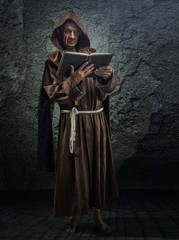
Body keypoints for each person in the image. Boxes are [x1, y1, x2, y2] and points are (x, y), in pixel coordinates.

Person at [37, 10, 119, 234]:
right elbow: (52, 94)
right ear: (60, 34)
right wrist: (75, 79)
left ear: (81, 34)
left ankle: (97, 217)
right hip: (72, 123)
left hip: (96, 120)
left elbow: (106, 92)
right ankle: (74, 217)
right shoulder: (53, 62)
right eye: (67, 31)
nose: (71, 36)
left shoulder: (93, 56)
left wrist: (108, 77)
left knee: (97, 169)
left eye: (75, 32)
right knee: (74, 171)